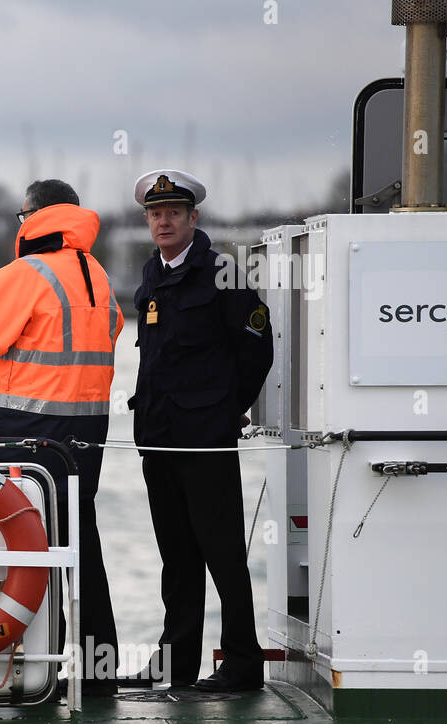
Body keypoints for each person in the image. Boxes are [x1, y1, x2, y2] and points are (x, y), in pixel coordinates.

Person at [0, 179, 124, 696]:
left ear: (32, 217)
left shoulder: (24, 274)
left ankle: (21, 669)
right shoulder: (97, 275)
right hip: (85, 439)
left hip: (18, 436)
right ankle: (98, 670)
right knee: (79, 543)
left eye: (20, 216)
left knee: (14, 548)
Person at [128, 169, 273, 692]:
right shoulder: (152, 275)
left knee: (224, 555)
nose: (163, 221)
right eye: (155, 214)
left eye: (173, 213)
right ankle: (177, 664)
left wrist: (229, 407)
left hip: (205, 440)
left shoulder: (221, 272)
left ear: (194, 218)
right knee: (177, 559)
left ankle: (241, 664)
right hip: (159, 437)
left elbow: (257, 343)